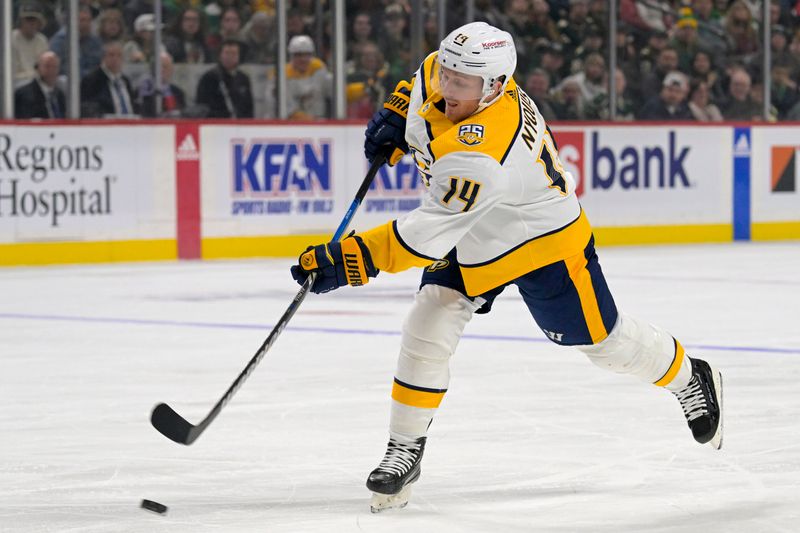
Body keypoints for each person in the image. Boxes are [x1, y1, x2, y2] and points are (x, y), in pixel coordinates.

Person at [290, 22, 724, 513]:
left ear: (495, 87)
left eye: (461, 83)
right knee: (428, 320)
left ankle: (690, 376)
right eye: (446, 74)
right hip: (469, 231)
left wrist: (350, 260)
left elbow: (419, 237)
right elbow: (419, 79)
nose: (446, 88)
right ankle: (404, 448)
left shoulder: (486, 151)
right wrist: (397, 111)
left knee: (603, 342)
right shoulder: (448, 73)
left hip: (540, 242)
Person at [266, 35, 332, 120]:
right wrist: (315, 121)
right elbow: (289, 111)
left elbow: (336, 91)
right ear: (291, 56)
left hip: (316, 123)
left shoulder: (318, 69)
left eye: (307, 54)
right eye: (298, 55)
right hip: (285, 127)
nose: (303, 59)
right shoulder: (279, 76)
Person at [195, 39, 253, 118]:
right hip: (217, 125)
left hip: (240, 126)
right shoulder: (209, 78)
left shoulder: (243, 79)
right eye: (227, 53)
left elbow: (248, 107)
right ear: (220, 55)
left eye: (234, 53)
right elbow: (202, 107)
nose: (230, 57)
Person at [80, 41, 137, 117]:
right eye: (111, 55)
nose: (115, 59)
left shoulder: (125, 81)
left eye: (119, 55)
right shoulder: (92, 80)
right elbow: (88, 109)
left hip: (131, 125)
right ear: (103, 57)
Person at [49, 5, 103, 77]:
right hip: (66, 80)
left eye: (89, 20)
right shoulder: (59, 41)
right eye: (82, 20)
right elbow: (58, 67)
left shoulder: (95, 41)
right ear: (72, 22)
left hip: (90, 81)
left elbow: (98, 64)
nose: (86, 24)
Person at [14, 51, 65, 119]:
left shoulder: (60, 95)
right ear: (37, 68)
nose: (51, 70)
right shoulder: (24, 95)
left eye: (54, 67)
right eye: (47, 66)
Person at [135, 52, 186, 118]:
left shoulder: (178, 92)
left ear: (172, 69)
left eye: (165, 67)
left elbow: (184, 116)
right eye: (159, 67)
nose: (162, 70)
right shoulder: (143, 91)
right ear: (152, 69)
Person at [11, 3, 49, 86]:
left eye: (34, 19)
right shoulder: (11, 39)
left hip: (39, 81)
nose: (31, 23)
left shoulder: (42, 40)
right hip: (16, 82)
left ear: (39, 22)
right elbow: (12, 72)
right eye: (28, 19)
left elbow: (45, 68)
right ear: (21, 21)